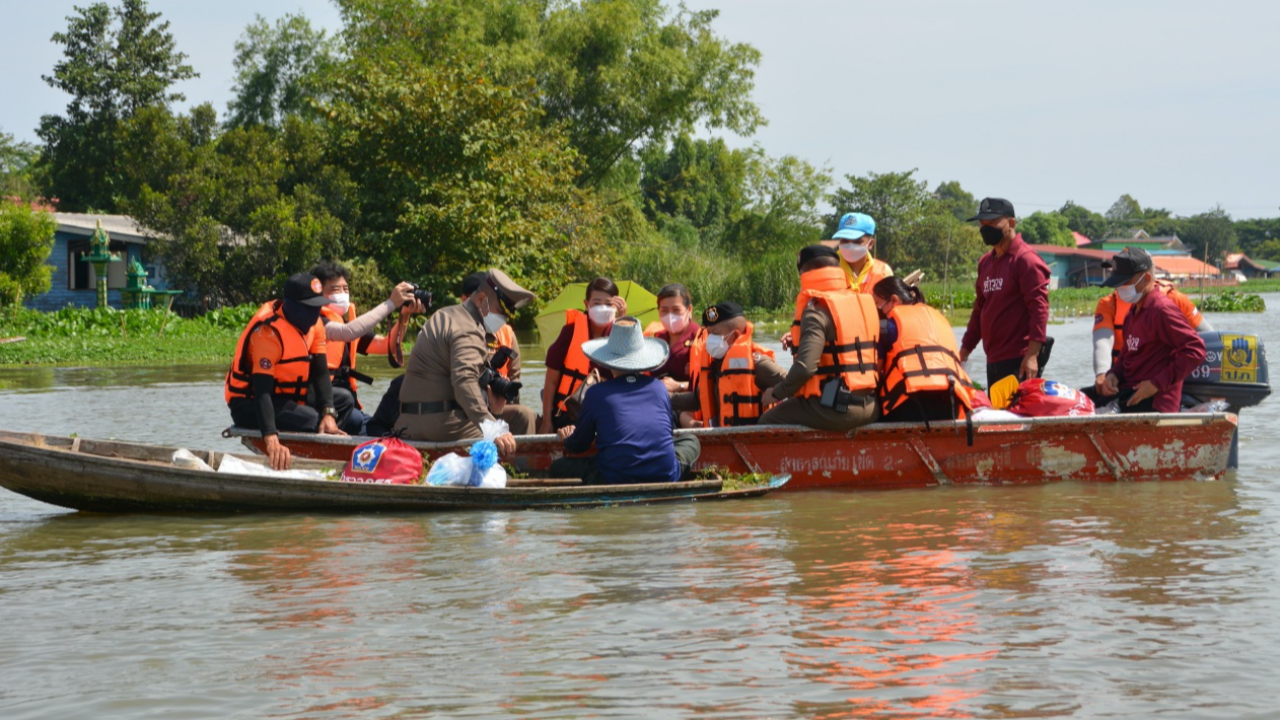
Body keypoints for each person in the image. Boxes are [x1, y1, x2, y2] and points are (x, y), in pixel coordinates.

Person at [395, 269, 537, 454]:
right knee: (506, 436)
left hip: (409, 420)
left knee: (520, 416)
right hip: (441, 424)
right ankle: (513, 476)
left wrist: (492, 409)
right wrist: (493, 427)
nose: (503, 319)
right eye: (500, 311)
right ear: (480, 300)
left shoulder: (445, 314)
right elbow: (464, 381)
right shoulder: (468, 329)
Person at [550, 316, 701, 484]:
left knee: (558, 466)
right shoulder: (659, 388)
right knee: (691, 441)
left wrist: (567, 439)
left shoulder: (596, 393)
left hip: (614, 478)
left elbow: (578, 445)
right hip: (664, 475)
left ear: (607, 361)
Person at [226, 273, 348, 470]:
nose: (315, 312)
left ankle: (325, 444)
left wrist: (328, 414)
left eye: (318, 305)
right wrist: (271, 438)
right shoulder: (268, 334)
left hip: (287, 396)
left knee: (343, 400)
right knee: (310, 420)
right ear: (291, 305)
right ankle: (301, 459)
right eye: (310, 307)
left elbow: (320, 374)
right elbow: (262, 392)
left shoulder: (315, 325)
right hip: (251, 404)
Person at [759, 245, 880, 431]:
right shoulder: (861, 301)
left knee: (767, 422)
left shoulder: (817, 310)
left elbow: (805, 368)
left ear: (806, 273)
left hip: (837, 409)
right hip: (871, 405)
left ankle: (800, 461)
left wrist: (776, 393)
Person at [311, 262, 420, 435]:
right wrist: (391, 303)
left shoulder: (346, 324)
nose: (343, 294)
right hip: (328, 404)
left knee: (394, 399)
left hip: (347, 405)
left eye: (345, 289)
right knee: (362, 422)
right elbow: (347, 332)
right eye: (335, 290)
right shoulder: (315, 323)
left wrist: (404, 317)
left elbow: (385, 345)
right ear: (318, 294)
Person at [1097, 248, 1207, 413]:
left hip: (1154, 401)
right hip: (1129, 392)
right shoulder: (1133, 312)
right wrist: (1113, 374)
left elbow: (1196, 350)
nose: (1120, 288)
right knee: (1078, 400)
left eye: (1125, 282)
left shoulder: (1162, 310)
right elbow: (1126, 356)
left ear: (1146, 278)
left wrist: (1156, 383)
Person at [958, 197, 1052, 388]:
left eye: (992, 223)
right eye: (982, 223)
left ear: (1011, 223)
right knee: (997, 416)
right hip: (992, 359)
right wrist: (964, 351)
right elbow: (980, 310)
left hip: (1019, 360)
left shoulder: (1025, 260)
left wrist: (1032, 356)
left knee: (1014, 417)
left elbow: (1039, 311)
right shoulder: (985, 263)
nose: (985, 228)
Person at [872, 276, 974, 423]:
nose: (876, 310)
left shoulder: (887, 327)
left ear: (894, 300)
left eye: (877, 304)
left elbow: (875, 374)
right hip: (951, 403)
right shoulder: (938, 318)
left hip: (909, 406)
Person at [672, 301, 784, 428]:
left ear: (735, 335)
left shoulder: (757, 364)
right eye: (708, 333)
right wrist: (662, 398)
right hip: (725, 437)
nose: (710, 339)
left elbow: (794, 384)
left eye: (715, 333)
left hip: (753, 440)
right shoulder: (715, 364)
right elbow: (698, 399)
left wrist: (776, 393)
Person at [540, 277, 628, 432]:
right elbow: (551, 381)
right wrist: (547, 422)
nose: (603, 308)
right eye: (597, 303)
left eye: (609, 304)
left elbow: (628, 378)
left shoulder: (623, 332)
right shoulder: (570, 331)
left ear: (617, 307)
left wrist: (622, 324)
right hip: (568, 415)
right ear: (586, 305)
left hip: (605, 415)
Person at [460, 271, 522, 386]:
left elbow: (514, 378)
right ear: (465, 300)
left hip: (499, 401)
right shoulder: (453, 330)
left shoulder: (506, 334)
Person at [647, 283, 701, 393]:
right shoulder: (657, 337)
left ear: (689, 309)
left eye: (676, 310)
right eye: (664, 310)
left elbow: (712, 382)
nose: (670, 316)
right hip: (656, 402)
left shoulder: (701, 338)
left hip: (689, 405)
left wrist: (680, 386)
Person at [825, 212, 893, 293]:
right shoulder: (826, 268)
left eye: (857, 242)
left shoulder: (884, 272)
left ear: (870, 244)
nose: (850, 246)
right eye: (845, 241)